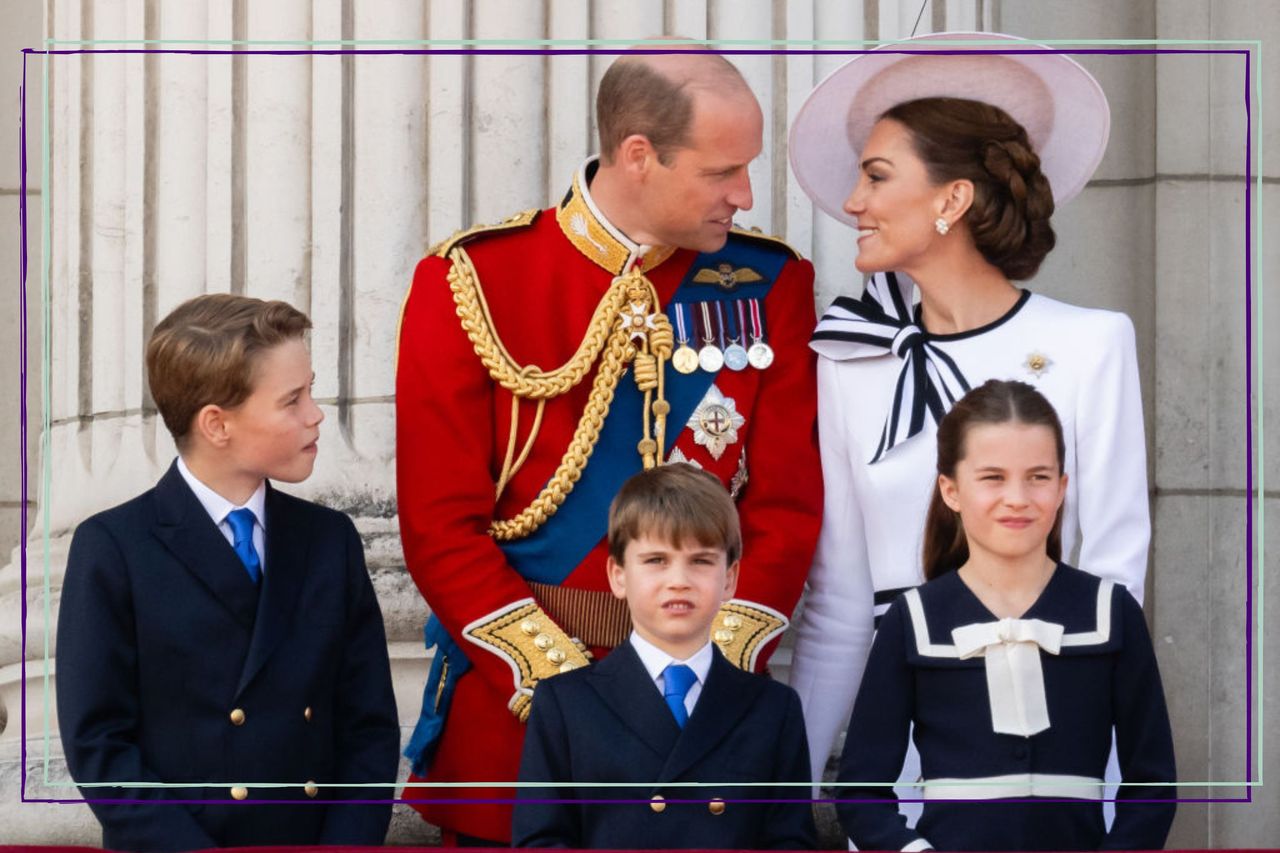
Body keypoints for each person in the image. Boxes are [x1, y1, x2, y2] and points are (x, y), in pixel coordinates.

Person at [396, 45, 822, 843]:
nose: (747, 194)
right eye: (722, 170)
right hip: (518, 729)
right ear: (638, 157)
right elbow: (437, 529)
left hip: (705, 726)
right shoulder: (473, 281)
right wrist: (576, 698)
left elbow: (789, 511)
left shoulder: (770, 285)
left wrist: (707, 672)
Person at [786, 32, 1151, 794]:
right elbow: (841, 604)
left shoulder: (1091, 344)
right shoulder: (850, 360)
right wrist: (791, 791)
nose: (854, 202)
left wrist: (1104, 780)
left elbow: (1114, 578)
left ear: (952, 199)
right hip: (902, 743)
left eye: (878, 177)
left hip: (1048, 732)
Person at [56, 294, 400, 852]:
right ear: (217, 424)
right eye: (293, 399)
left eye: (309, 390)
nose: (315, 414)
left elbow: (369, 728)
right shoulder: (115, 548)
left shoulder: (329, 540)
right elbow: (101, 748)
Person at [836, 379, 1175, 850]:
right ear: (951, 490)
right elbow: (860, 791)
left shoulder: (1112, 613)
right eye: (993, 477)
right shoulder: (911, 620)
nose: (1017, 497)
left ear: (1061, 488)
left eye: (1038, 477)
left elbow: (1153, 785)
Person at [512, 463, 816, 849]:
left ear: (730, 579)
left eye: (701, 561)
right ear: (618, 575)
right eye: (656, 560)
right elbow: (542, 841)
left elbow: (792, 842)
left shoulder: (773, 708)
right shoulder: (565, 703)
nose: (679, 580)